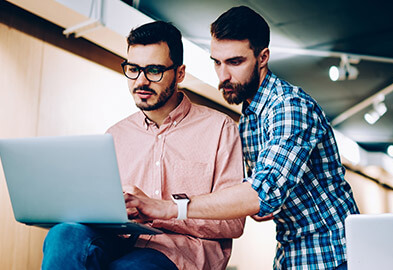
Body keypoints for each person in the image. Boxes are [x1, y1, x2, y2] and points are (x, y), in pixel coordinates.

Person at [125, 6, 359, 270]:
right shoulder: (249, 118)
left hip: (334, 254)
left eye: (235, 62)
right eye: (217, 62)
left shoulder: (288, 106)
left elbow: (262, 193)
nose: (223, 75)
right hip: (292, 255)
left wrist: (167, 208)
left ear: (263, 57)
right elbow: (262, 203)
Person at [41, 21, 245, 270]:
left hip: (179, 252)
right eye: (133, 69)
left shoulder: (220, 129)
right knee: (63, 235)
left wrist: (161, 211)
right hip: (121, 241)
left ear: (179, 73)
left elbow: (234, 222)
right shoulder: (115, 135)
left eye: (154, 70)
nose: (141, 81)